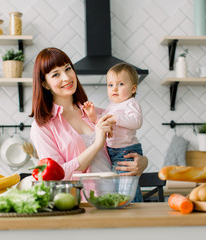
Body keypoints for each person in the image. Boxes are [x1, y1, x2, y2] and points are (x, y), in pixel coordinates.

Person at [29, 47, 148, 186]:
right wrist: (97, 144)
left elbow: (125, 143)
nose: (67, 77)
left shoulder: (98, 114)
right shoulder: (42, 127)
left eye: (68, 69)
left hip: (114, 197)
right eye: (56, 74)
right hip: (81, 202)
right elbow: (56, 175)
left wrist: (143, 162)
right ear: (45, 84)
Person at [82, 63, 144, 202]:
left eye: (120, 84)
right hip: (112, 151)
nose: (114, 88)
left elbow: (136, 122)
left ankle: (135, 209)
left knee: (127, 188)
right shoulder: (112, 106)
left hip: (126, 151)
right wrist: (93, 117)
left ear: (133, 88)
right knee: (118, 187)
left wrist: (116, 118)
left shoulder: (131, 103)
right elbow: (103, 122)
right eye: (110, 85)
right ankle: (124, 209)